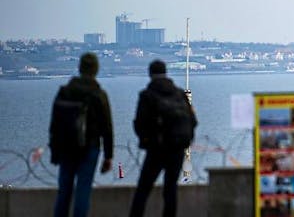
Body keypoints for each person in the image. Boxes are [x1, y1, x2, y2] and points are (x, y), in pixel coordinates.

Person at [128, 60, 197, 217]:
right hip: (178, 148)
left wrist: (146, 141)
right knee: (170, 189)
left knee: (143, 189)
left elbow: (139, 123)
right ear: (166, 72)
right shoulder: (179, 94)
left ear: (150, 74)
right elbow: (193, 121)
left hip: (156, 149)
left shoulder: (147, 95)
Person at [49, 52, 114, 217]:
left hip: (66, 147)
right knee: (83, 191)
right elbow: (107, 128)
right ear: (96, 70)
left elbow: (54, 124)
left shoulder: (64, 92)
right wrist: (108, 156)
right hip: (90, 148)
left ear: (80, 68)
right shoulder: (99, 94)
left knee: (64, 191)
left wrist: (55, 150)